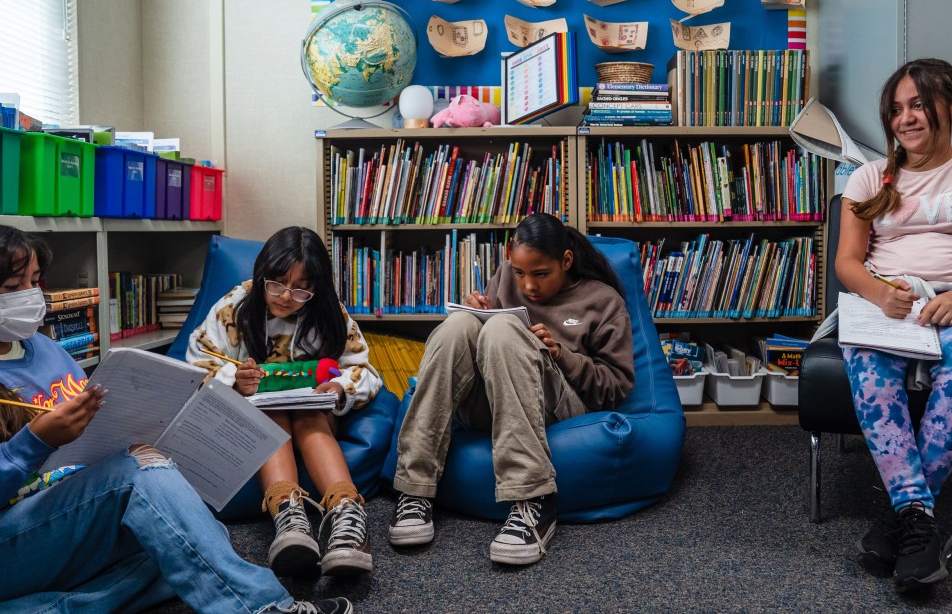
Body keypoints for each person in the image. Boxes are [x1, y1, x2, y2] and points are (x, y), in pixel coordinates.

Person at [0, 225, 352, 614]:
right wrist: (35, 442)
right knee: (154, 499)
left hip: (71, 511)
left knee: (193, 537)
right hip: (15, 534)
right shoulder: (237, 308)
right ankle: (262, 607)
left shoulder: (45, 348)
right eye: (13, 286)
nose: (30, 296)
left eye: (35, 281)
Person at [834, 58, 952, 592]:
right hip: (887, 301)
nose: (906, 118)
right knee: (870, 369)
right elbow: (848, 262)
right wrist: (880, 294)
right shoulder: (869, 177)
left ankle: (904, 516)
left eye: (919, 104)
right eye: (896, 109)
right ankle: (920, 520)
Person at [389, 213, 634, 565]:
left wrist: (561, 354)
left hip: (558, 406)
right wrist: (475, 313)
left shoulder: (603, 301)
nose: (528, 285)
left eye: (541, 274)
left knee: (503, 329)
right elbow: (482, 340)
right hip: (495, 401)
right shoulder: (504, 277)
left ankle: (533, 499)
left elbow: (615, 388)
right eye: (519, 273)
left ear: (566, 261)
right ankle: (414, 488)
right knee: (458, 325)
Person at [186, 226, 382, 578]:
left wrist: (340, 388)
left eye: (301, 288)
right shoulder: (235, 306)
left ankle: (347, 513)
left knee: (307, 415)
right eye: (276, 284)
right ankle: (289, 517)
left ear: (317, 287)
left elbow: (363, 370)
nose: (287, 297)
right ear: (262, 274)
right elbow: (196, 364)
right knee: (272, 415)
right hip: (253, 418)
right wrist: (233, 380)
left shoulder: (329, 313)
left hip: (315, 414)